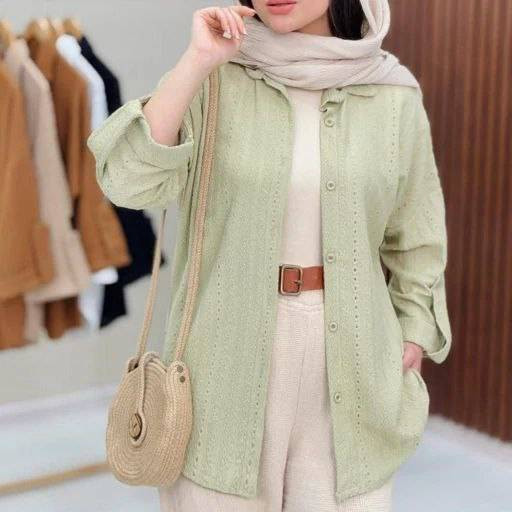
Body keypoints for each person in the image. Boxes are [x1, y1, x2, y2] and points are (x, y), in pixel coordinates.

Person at [88, 1, 452, 510]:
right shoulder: (215, 79)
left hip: (355, 353)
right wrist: (196, 62)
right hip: (224, 360)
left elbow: (417, 232)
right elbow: (127, 183)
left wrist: (414, 328)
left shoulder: (393, 95)